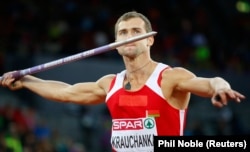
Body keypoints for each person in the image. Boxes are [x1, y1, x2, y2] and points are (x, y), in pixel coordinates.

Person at [0, 11, 246, 151]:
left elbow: (211, 81)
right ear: (115, 43)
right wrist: (27, 81)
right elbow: (68, 91)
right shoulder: (110, 84)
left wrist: (221, 87)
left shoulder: (169, 78)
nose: (128, 37)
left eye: (136, 32)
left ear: (149, 40)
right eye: (122, 33)